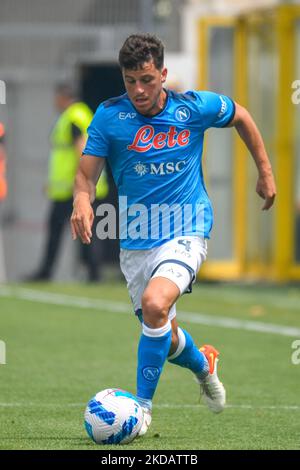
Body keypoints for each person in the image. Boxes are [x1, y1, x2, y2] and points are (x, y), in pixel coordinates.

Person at [70, 34, 276, 436]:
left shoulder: (193, 108)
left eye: (147, 79)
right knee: (163, 327)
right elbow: (85, 174)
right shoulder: (110, 117)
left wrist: (265, 172)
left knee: (155, 302)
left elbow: (242, 116)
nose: (139, 90)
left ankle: (142, 409)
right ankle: (204, 365)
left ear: (163, 74)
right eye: (130, 81)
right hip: (135, 241)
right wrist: (82, 200)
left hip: (187, 227)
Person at [28, 84, 109, 282]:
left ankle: (50, 272)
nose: (55, 102)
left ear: (64, 97)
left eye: (57, 97)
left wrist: (81, 183)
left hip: (74, 190)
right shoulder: (82, 114)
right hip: (71, 188)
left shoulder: (73, 117)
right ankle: (92, 274)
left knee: (73, 230)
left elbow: (81, 149)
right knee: (84, 229)